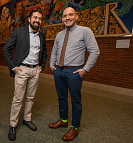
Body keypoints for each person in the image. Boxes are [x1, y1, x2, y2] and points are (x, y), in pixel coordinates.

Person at [49, 7, 100, 141]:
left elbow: (95, 51)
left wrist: (85, 69)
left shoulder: (85, 31)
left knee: (75, 101)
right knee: (62, 98)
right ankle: (64, 120)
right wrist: (51, 64)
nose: (67, 18)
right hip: (58, 71)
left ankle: (75, 127)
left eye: (70, 15)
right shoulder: (59, 35)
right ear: (62, 19)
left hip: (74, 72)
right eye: (65, 16)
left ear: (76, 16)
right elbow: (54, 50)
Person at [3, 10, 48, 141]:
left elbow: (44, 52)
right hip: (21, 70)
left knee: (30, 97)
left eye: (40, 18)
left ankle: (27, 119)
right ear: (29, 19)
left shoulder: (42, 36)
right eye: (35, 17)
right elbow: (6, 49)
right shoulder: (19, 32)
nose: (37, 20)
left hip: (35, 71)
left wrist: (41, 66)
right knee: (18, 98)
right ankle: (12, 125)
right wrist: (13, 67)